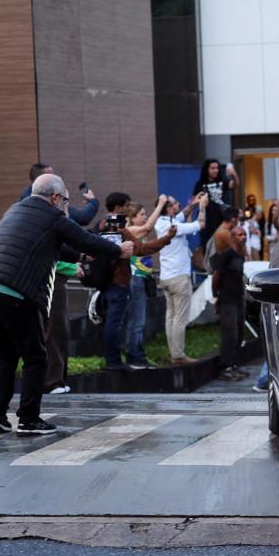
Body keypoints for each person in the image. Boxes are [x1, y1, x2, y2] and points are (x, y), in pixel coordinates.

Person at [0, 174, 131, 434]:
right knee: (36, 356)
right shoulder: (52, 216)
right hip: (13, 291)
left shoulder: (16, 209)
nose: (64, 206)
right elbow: (82, 237)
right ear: (55, 197)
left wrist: (82, 254)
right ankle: (28, 419)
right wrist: (118, 250)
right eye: (65, 201)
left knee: (6, 355)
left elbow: (60, 246)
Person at [20, 162, 100, 395]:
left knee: (59, 330)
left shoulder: (39, 211)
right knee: (52, 330)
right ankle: (52, 381)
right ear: (52, 195)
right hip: (46, 279)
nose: (64, 200)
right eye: (63, 197)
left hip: (54, 277)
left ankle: (58, 380)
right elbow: (49, 252)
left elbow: (67, 244)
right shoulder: (42, 213)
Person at [97, 192, 176, 371]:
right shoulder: (116, 227)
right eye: (126, 205)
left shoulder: (102, 225)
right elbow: (140, 249)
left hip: (108, 281)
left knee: (114, 322)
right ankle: (114, 361)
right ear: (118, 207)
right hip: (117, 282)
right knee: (114, 322)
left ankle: (115, 359)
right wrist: (166, 239)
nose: (128, 208)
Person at [153, 192, 208, 364]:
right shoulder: (173, 227)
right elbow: (200, 223)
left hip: (166, 277)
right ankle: (178, 356)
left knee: (171, 316)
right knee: (180, 318)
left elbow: (182, 214)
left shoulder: (161, 222)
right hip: (179, 278)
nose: (178, 205)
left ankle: (174, 352)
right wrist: (203, 206)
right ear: (168, 208)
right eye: (175, 204)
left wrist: (194, 203)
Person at [210, 221, 251, 381]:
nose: (243, 237)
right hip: (227, 299)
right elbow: (216, 276)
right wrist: (215, 296)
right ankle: (224, 367)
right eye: (240, 234)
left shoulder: (240, 255)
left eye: (244, 234)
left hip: (238, 298)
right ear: (232, 238)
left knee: (239, 333)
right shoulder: (226, 255)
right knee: (230, 334)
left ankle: (233, 365)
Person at [193, 158, 239, 245]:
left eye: (217, 168)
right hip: (207, 217)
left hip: (221, 215)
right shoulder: (200, 183)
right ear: (207, 169)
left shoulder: (222, 181)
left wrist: (233, 174)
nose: (215, 170)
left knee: (222, 240)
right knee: (207, 243)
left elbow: (235, 185)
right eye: (212, 168)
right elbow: (194, 200)